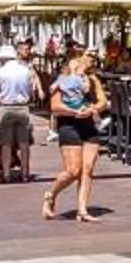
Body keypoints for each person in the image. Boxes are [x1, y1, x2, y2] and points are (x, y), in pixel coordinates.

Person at [43, 49, 105, 223]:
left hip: (89, 125)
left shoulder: (92, 80)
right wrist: (74, 112)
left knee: (88, 169)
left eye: (90, 59)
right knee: (72, 170)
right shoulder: (62, 82)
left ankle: (82, 210)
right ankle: (51, 194)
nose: (88, 62)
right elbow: (55, 107)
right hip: (69, 125)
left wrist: (93, 109)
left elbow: (103, 101)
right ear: (73, 61)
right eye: (84, 58)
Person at [0, 45, 41, 183]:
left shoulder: (0, 72)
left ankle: (6, 173)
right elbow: (31, 90)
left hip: (6, 107)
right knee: (24, 143)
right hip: (23, 108)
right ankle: (25, 173)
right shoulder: (25, 71)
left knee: (6, 143)